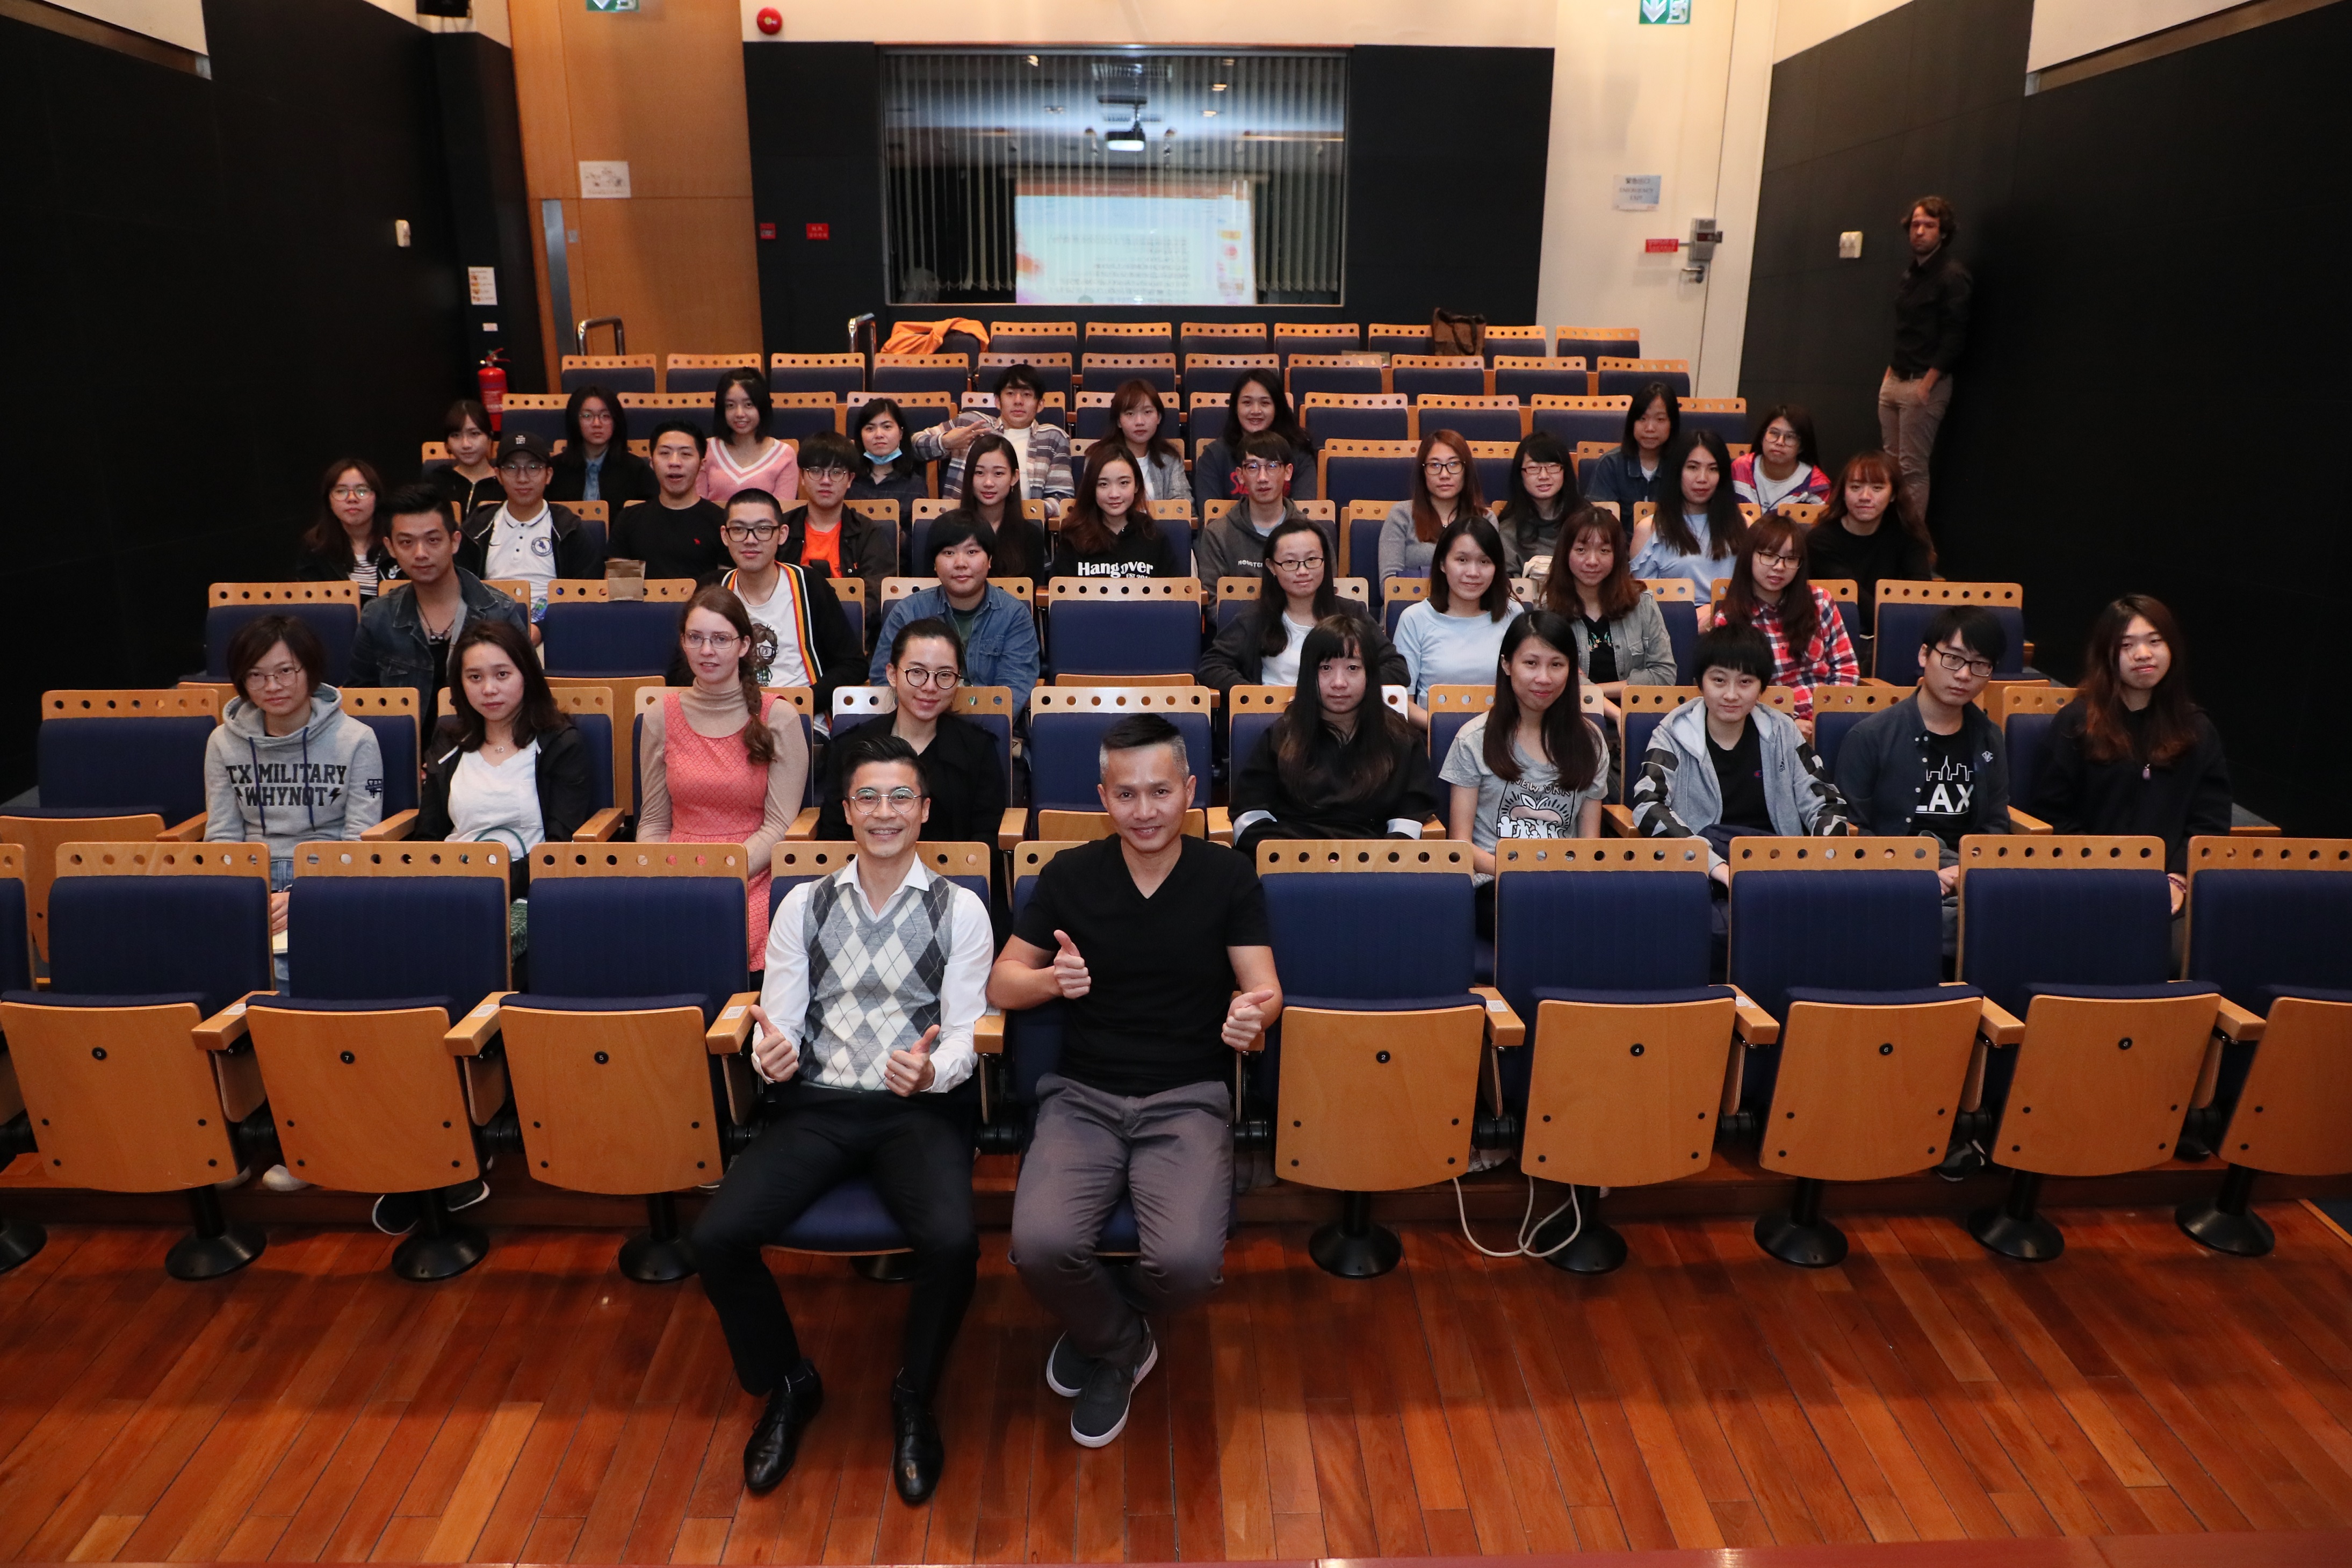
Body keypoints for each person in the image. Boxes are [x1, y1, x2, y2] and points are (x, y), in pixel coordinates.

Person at [695, 732, 991, 1502]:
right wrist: (770, 1056)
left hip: (915, 1108)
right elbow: (781, 1022)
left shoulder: (960, 908)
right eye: (868, 797)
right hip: (819, 1104)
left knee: (954, 1244)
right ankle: (789, 1382)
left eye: (900, 797)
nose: (885, 811)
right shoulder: (804, 903)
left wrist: (932, 1069)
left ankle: (914, 1392)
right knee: (717, 1237)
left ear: (924, 810)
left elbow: (966, 1033)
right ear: (847, 811)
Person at [993, 715, 1281, 1449]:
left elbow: (1265, 989)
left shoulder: (1227, 875)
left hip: (1188, 1096)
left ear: (1190, 790)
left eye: (1160, 791)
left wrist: (1252, 1014)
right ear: (1103, 798)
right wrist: (1049, 982)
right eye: (1126, 794)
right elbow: (1002, 982)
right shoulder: (1069, 875)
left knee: (1187, 1266)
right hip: (1082, 1093)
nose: (1144, 809)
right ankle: (1123, 1344)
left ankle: (1102, 1327)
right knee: (1038, 1246)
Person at [204, 612, 386, 1194]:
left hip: (328, 882)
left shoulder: (357, 739)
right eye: (257, 676)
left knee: (290, 984)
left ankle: (307, 1138)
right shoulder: (223, 742)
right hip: (249, 884)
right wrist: (249, 897)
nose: (274, 686)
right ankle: (217, 1140)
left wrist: (302, 894)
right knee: (200, 981)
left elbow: (359, 840)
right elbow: (222, 836)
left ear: (311, 672)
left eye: (286, 671)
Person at [636, 587, 812, 972]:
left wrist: (722, 871)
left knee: (735, 932)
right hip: (675, 868)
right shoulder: (660, 715)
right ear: (683, 642)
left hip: (751, 869)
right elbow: (653, 822)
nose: (707, 651)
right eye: (695, 638)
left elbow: (778, 826)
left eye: (720, 639)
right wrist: (660, 870)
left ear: (744, 645)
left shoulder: (778, 718)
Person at [1832, 605, 2011, 955]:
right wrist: (1920, 870)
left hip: (1965, 875)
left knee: (2009, 906)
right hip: (1893, 871)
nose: (1964, 675)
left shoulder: (1989, 737)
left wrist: (1965, 871)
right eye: (1953, 659)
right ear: (1924, 654)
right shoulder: (1870, 736)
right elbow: (1851, 830)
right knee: (1982, 921)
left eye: (1980, 665)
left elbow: (1995, 822)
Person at [2029, 595, 2231, 897]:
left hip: (2169, 885)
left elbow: (2211, 820)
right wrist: (2096, 867)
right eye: (2127, 645)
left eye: (2155, 641)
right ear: (2106, 654)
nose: (2143, 654)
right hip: (2085, 878)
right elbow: (2050, 814)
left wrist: (2179, 877)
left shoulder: (2196, 728)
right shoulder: (2077, 722)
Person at [1632, 626, 1852, 898]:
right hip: (1706, 873)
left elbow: (1826, 802)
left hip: (1779, 868)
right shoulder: (1673, 734)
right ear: (1700, 683)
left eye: (1745, 682)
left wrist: (1822, 859)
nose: (1731, 695)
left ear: (1762, 687)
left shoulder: (1783, 731)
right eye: (1719, 680)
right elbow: (1649, 805)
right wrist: (1715, 867)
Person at [1440, 611, 1609, 933]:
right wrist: (1520, 870)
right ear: (1507, 665)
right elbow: (1460, 845)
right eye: (1531, 663)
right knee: (1530, 915)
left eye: (1557, 665)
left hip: (1565, 880)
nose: (1544, 678)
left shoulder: (1590, 741)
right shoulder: (1473, 739)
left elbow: (1589, 842)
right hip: (1496, 882)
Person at [1230, 617, 1437, 857]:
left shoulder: (1402, 740)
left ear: (1371, 674)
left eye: (1353, 668)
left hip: (1373, 864)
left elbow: (1408, 822)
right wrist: (1304, 858)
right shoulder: (1281, 736)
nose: (1339, 683)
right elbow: (1249, 816)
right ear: (1309, 674)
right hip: (1293, 861)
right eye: (1326, 668)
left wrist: (1367, 862)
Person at [416, 617, 594, 895]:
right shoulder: (448, 742)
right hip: (452, 885)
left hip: (530, 888)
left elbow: (558, 848)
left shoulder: (561, 744)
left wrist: (490, 883)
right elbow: (428, 837)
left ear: (526, 675)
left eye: (502, 675)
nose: (489, 689)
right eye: (475, 677)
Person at [818, 620, 1006, 844]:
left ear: (958, 680)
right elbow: (833, 836)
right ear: (892, 674)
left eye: (945, 675)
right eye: (917, 672)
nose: (930, 687)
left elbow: (987, 838)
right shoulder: (851, 746)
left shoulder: (977, 748)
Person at [350, 487, 529, 718]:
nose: (421, 553)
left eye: (433, 540)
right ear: (391, 547)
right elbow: (360, 703)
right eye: (406, 542)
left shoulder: (499, 611)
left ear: (455, 541)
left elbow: (532, 693)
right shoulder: (377, 617)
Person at [1197, 518, 1404, 698]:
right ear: (1272, 567)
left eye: (1312, 560)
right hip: (1275, 718)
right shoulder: (1255, 617)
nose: (1302, 571)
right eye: (1290, 562)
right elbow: (1212, 665)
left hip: (1337, 715)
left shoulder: (1352, 613)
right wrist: (1256, 695)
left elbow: (1396, 669)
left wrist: (1349, 686)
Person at [867, 515, 1039, 713]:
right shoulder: (908, 612)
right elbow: (885, 681)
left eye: (972, 552)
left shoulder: (1014, 616)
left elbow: (1011, 694)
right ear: (934, 563)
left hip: (987, 725)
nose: (960, 563)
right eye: (949, 553)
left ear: (990, 560)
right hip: (919, 723)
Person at [712, 489, 863, 713]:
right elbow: (685, 667)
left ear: (782, 534)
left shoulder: (809, 584)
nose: (750, 540)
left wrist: (802, 702)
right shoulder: (714, 588)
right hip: (730, 713)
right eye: (739, 529)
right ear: (725, 536)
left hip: (802, 714)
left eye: (763, 529)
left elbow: (853, 665)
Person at [1708, 514, 1859, 732]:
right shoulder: (1731, 618)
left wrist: (1827, 718)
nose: (1779, 567)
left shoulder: (1820, 601)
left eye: (1791, 559)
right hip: (1769, 723)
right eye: (1769, 556)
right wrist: (1789, 721)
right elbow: (1738, 689)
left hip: (1828, 716)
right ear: (1749, 556)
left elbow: (1846, 667)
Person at [1880, 194, 1971, 531]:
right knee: (1889, 466)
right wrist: (1889, 374)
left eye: (1929, 225)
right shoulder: (1910, 274)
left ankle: (1910, 542)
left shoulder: (1952, 276)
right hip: (1896, 379)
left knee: (1913, 469)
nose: (1920, 231)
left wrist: (1928, 385)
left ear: (1943, 232)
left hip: (1924, 383)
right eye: (1915, 224)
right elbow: (1904, 330)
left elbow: (1955, 336)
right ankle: (1885, 532)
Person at [1540, 507, 1676, 724]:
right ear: (1565, 553)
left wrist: (1596, 690)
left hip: (1640, 714)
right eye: (1581, 550)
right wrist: (1616, 714)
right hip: (1574, 719)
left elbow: (1664, 675)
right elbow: (1553, 680)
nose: (1592, 561)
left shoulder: (1642, 603)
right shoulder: (1549, 611)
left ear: (1617, 556)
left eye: (1604, 551)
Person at [458, 431, 605, 623]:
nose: (522, 478)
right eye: (512, 468)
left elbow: (586, 596)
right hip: (489, 627)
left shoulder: (568, 529)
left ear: (548, 475)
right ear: (498, 475)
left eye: (533, 467)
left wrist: (541, 627)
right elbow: (461, 591)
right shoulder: (476, 529)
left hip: (552, 628)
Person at [1393, 514, 1520, 721]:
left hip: (1500, 733)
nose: (1473, 572)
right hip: (1434, 734)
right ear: (1443, 564)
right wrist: (1448, 729)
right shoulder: (1414, 619)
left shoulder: (1513, 615)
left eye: (1484, 562)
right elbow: (1402, 701)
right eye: (1462, 560)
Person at [1802, 450, 1934, 647]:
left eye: (1877, 488)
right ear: (1843, 492)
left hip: (1894, 637)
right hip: (1832, 637)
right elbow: (1852, 594)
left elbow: (1921, 594)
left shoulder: (1907, 536)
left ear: (1893, 495)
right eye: (1855, 487)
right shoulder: (1821, 540)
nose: (1865, 497)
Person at [915, 364, 1074, 509]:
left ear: (1040, 404)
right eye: (1010, 394)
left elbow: (1062, 497)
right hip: (963, 523)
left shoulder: (1053, 438)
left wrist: (1028, 513)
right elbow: (911, 447)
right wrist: (945, 442)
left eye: (1027, 394)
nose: (1018, 401)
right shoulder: (970, 423)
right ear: (998, 401)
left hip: (1022, 525)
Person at [776, 430, 894, 616]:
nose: (826, 481)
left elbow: (875, 597)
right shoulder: (781, 529)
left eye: (836, 473)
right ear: (802, 477)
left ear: (850, 480)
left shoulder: (868, 533)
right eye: (816, 471)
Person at [1194, 431, 1329, 586]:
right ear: (1240, 475)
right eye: (1253, 467)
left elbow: (1326, 594)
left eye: (1272, 466)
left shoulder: (1314, 536)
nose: (1262, 478)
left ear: (1288, 472)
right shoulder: (1217, 535)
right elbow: (1214, 598)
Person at [1629, 429, 1745, 605]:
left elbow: (1753, 592)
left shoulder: (1745, 525)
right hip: (1673, 619)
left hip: (1732, 616)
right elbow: (1644, 603)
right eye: (1693, 467)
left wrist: (1717, 610)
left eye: (1713, 469)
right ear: (1677, 471)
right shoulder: (1649, 529)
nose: (1702, 478)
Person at [611, 421, 729, 583]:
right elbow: (622, 590)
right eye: (665, 453)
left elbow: (726, 591)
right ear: (652, 463)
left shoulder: (721, 522)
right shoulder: (628, 520)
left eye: (685, 454)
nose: (675, 462)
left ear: (702, 465)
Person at [1193, 368, 1318, 507]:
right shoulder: (1215, 454)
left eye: (1265, 403)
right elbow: (1210, 512)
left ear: (1277, 408)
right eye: (1247, 403)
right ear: (1235, 408)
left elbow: (1304, 511)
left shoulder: (1299, 452)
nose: (1256, 411)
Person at [1050, 445, 1178, 579]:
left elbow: (1174, 590)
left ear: (1137, 485)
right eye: (1103, 484)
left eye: (1124, 483)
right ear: (1092, 488)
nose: (1114, 494)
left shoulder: (1153, 536)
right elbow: (1059, 589)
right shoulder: (1073, 538)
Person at [1378, 430, 1487, 587]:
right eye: (1435, 465)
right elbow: (1390, 586)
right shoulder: (1401, 515)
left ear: (1466, 470)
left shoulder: (1485, 518)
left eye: (1453, 464)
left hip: (1470, 602)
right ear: (1423, 472)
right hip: (1412, 602)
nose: (1444, 474)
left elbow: (1494, 581)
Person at [944, 433, 1051, 591]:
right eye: (979, 473)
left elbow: (1031, 597)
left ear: (1014, 477)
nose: (988, 483)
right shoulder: (948, 530)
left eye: (998, 473)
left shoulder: (1031, 536)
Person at [294, 457, 398, 598]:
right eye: (341, 491)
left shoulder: (398, 538)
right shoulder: (315, 546)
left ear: (376, 497)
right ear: (329, 500)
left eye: (362, 491)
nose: (352, 498)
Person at [701, 367, 801, 508]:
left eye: (748, 405)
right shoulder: (705, 449)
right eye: (730, 406)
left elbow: (783, 513)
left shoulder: (785, 455)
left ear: (762, 407)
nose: (739, 414)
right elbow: (699, 508)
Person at [549, 384, 655, 508]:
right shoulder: (555, 470)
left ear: (616, 421)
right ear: (575, 421)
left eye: (606, 416)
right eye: (587, 416)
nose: (597, 424)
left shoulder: (636, 470)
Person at [1494, 431, 1583, 579]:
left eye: (1552, 467)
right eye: (1533, 468)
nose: (1544, 476)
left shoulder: (1586, 522)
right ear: (1520, 475)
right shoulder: (1508, 533)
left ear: (1565, 471)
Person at [1582, 383, 1678, 510]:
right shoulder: (1611, 465)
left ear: (1672, 424)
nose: (1650, 428)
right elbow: (1598, 519)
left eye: (1660, 419)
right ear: (1632, 423)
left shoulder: (1682, 465)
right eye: (1642, 419)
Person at [1731, 404, 1831, 512]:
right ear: (1762, 437)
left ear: (1801, 447)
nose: (1780, 442)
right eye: (1774, 433)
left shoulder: (1817, 486)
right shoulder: (1740, 468)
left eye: (1790, 437)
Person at [1108, 378, 1188, 502]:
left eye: (1147, 412)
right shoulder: (1100, 458)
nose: (1140, 422)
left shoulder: (1170, 458)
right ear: (1119, 421)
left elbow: (1183, 505)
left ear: (1159, 417)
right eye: (1130, 414)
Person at [847, 395, 930, 511]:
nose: (879, 435)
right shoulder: (848, 481)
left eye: (887, 427)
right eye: (870, 429)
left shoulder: (916, 486)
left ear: (901, 433)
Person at [427, 399, 504, 521]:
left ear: (489, 437)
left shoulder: (504, 483)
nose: (466, 444)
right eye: (456, 436)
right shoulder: (437, 481)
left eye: (474, 434)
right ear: (447, 444)